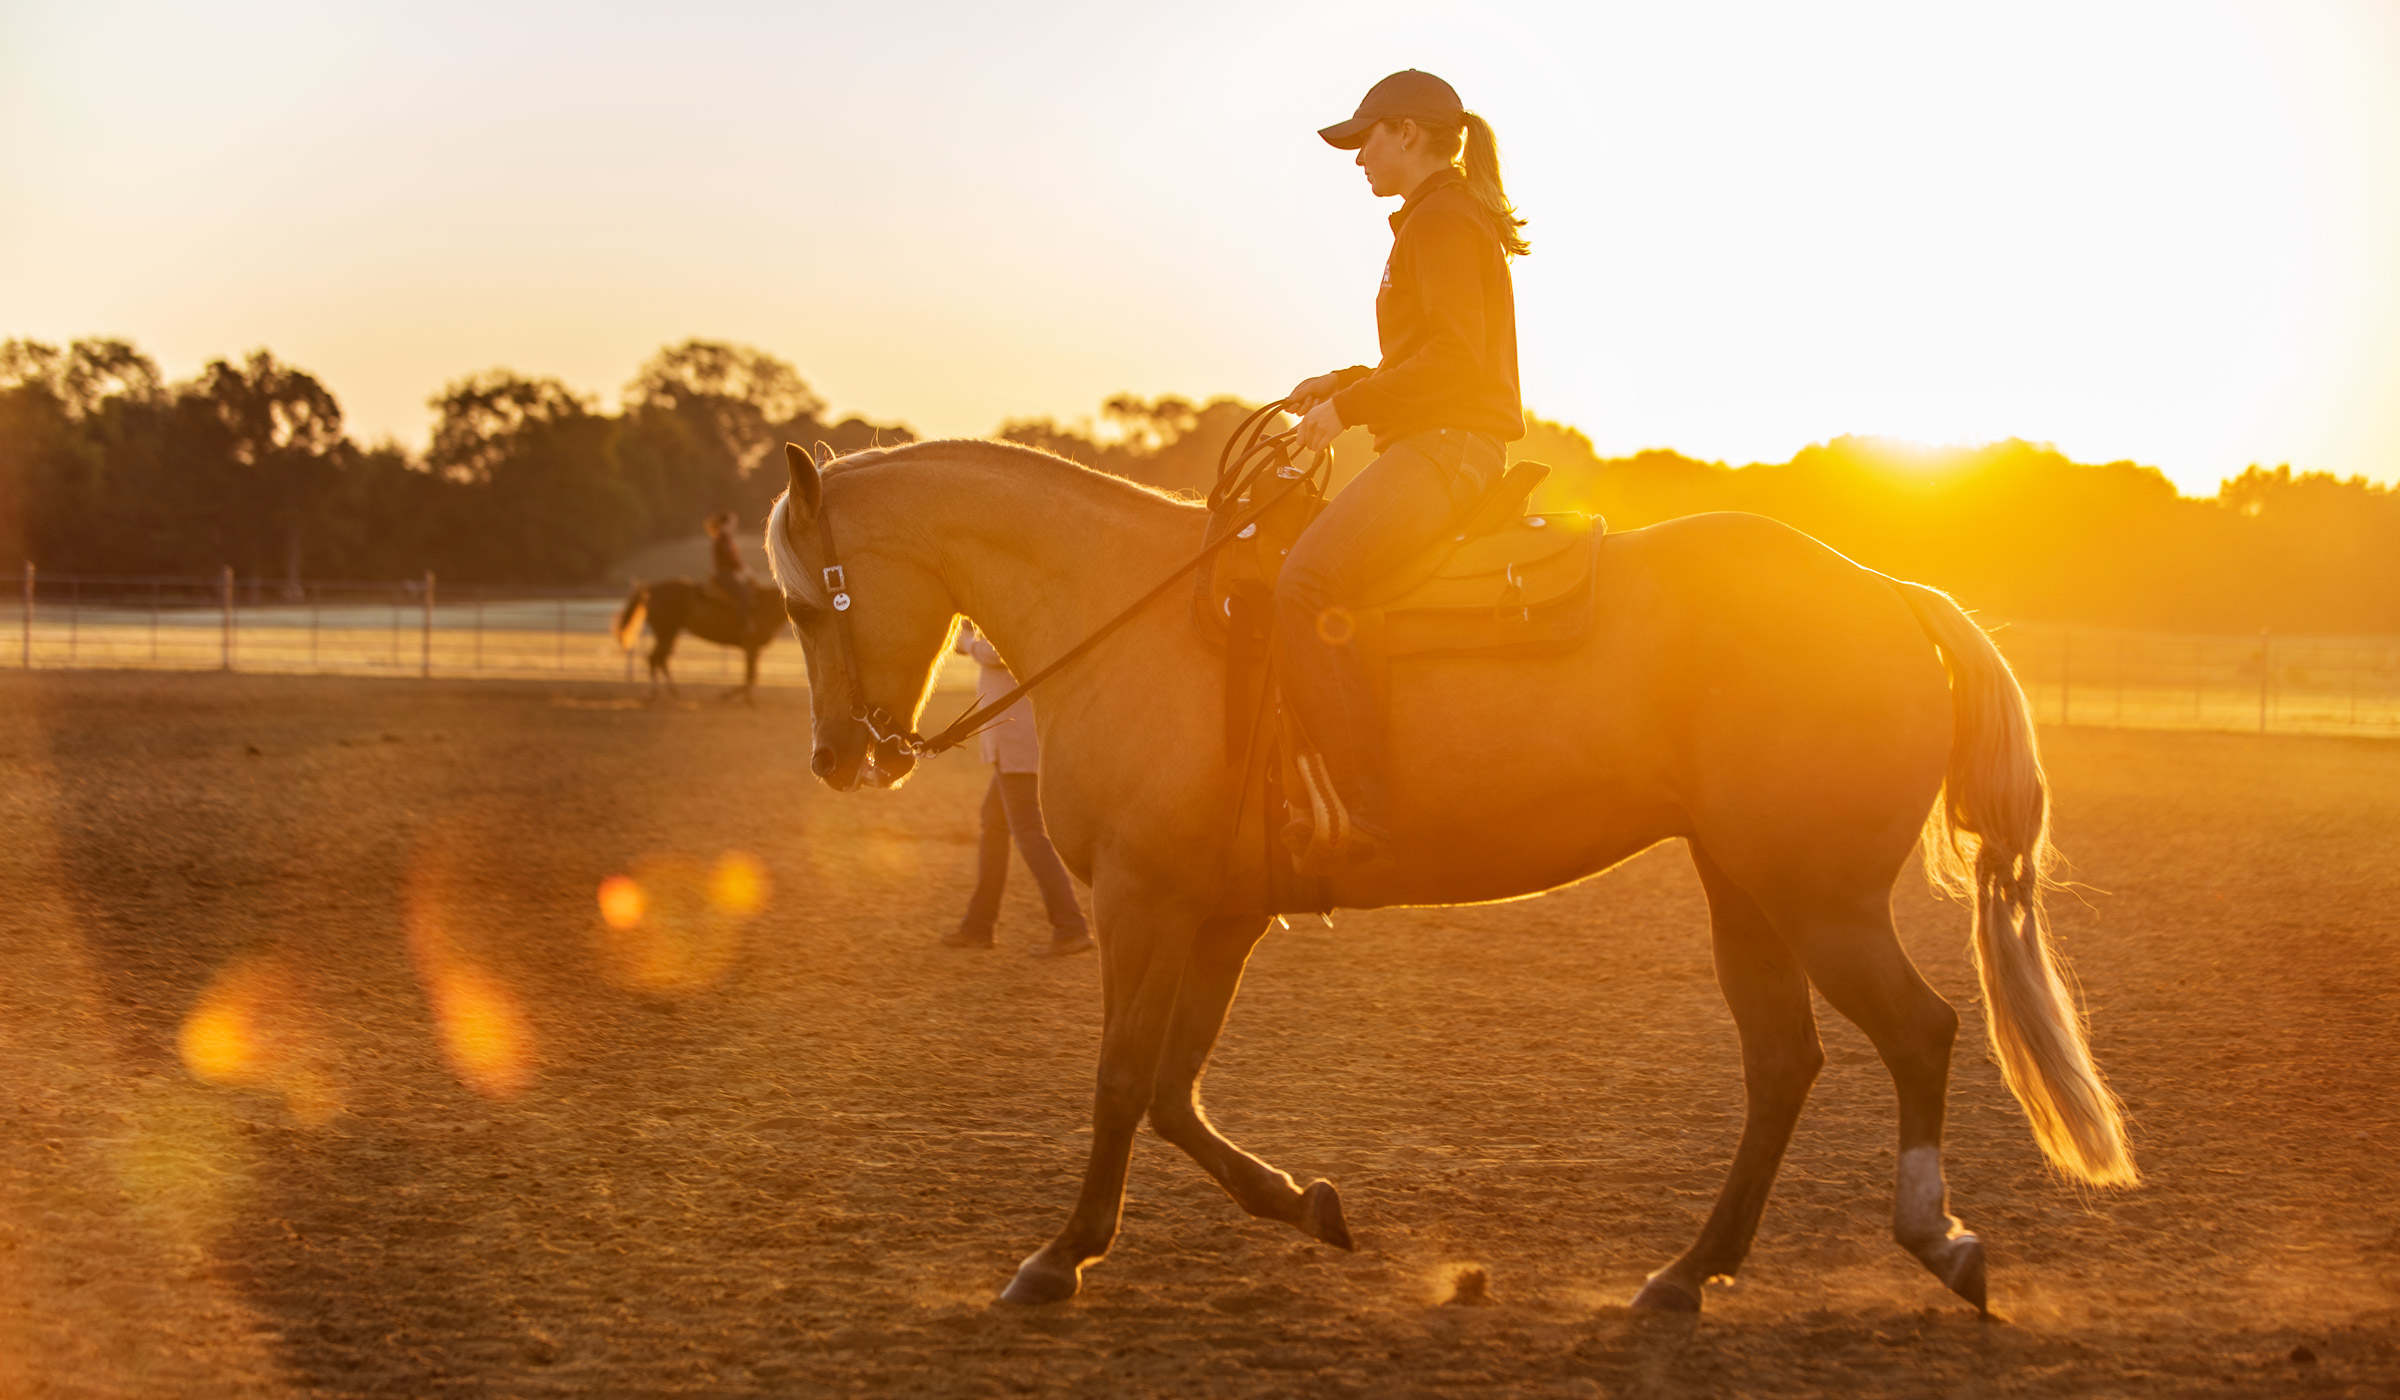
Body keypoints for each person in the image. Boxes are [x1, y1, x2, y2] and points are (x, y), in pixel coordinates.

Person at [1278, 69, 1528, 874]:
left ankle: (1362, 806)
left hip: (1447, 447)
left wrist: (1346, 415)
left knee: (1303, 585)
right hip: (1438, 438)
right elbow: (1430, 354)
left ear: (1408, 134)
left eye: (1365, 140)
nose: (1357, 159)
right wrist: (1348, 382)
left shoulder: (1444, 221)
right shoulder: (1434, 219)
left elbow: (1454, 359)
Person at [944, 621, 1094, 958]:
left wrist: (964, 638)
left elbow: (992, 653)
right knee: (994, 825)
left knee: (1028, 830)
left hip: (1017, 741)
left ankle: (1070, 926)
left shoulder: (1011, 626)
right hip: (1012, 742)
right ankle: (979, 925)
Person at [705, 510, 754, 633]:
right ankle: (741, 625)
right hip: (724, 575)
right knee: (744, 595)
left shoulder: (725, 540)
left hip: (728, 574)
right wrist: (744, 569)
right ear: (723, 525)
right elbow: (731, 560)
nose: (734, 526)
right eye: (732, 523)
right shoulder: (722, 540)